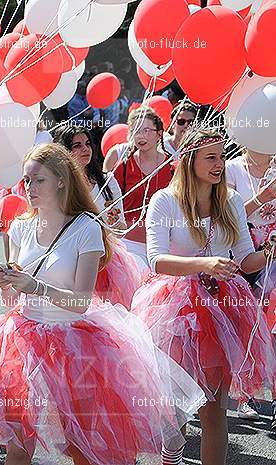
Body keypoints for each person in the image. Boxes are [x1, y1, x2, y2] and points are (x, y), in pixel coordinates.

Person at [0, 143, 204, 465]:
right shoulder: (19, 228)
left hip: (76, 344)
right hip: (24, 341)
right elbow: (13, 296)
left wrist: (35, 286)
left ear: (61, 180)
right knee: (18, 445)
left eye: (38, 180)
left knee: (83, 444)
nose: (29, 188)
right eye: (26, 180)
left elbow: (81, 302)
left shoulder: (86, 227)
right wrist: (8, 283)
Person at [131, 127, 276, 465]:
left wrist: (269, 251)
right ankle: (172, 451)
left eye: (222, 157)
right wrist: (205, 263)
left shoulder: (231, 200)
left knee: (214, 411)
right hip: (175, 311)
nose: (220, 164)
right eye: (211, 157)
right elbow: (157, 260)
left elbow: (245, 259)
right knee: (177, 408)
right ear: (189, 159)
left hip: (224, 311)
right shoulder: (165, 200)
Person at [53, 124, 141, 307]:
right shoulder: (57, 185)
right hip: (69, 260)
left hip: (106, 260)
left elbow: (121, 228)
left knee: (106, 317)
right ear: (63, 151)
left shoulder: (107, 181)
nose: (85, 149)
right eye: (76, 145)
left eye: (87, 143)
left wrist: (113, 220)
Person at [226, 146, 276, 422]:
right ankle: (243, 395)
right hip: (243, 250)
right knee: (245, 325)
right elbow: (229, 216)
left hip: (273, 249)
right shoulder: (232, 169)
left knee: (271, 325)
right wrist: (263, 197)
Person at [103, 106, 174, 272]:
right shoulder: (124, 167)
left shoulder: (173, 168)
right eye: (136, 131)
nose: (141, 136)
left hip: (164, 245)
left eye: (146, 130)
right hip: (130, 244)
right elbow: (109, 203)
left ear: (159, 133)